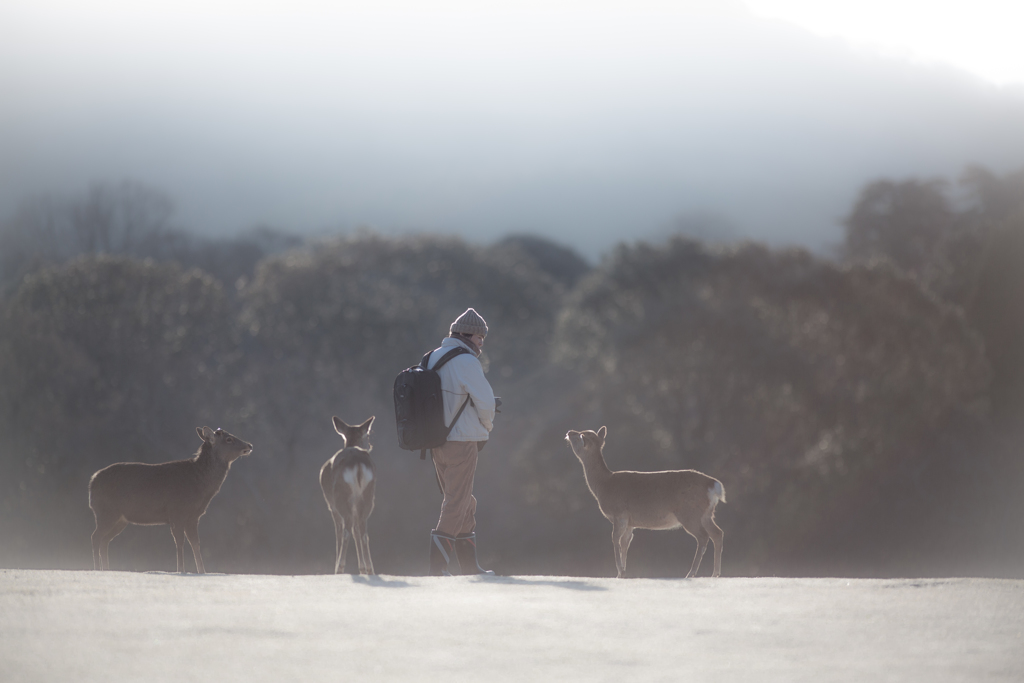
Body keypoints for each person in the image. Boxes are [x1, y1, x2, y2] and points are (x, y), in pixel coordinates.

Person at [425, 307, 497, 576]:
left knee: (465, 501)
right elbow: (486, 403)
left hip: (435, 442)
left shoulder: (433, 357)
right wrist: (486, 427)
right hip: (462, 441)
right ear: (468, 335)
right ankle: (438, 569)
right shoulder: (467, 362)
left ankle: (469, 567)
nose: (481, 344)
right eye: (480, 338)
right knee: (456, 502)